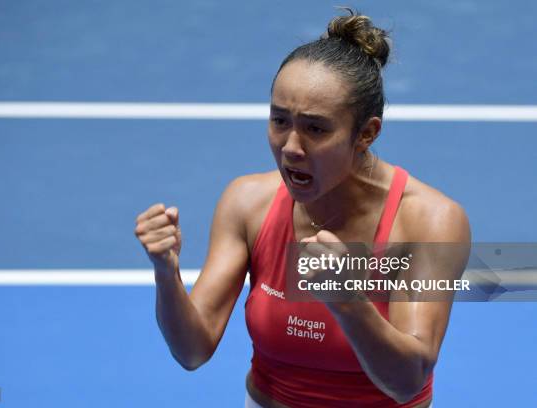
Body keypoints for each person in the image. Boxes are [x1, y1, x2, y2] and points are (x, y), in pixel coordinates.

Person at [134, 9, 470, 408]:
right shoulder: (248, 203)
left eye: (315, 128)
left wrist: (347, 300)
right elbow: (192, 351)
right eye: (280, 121)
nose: (291, 147)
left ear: (366, 133)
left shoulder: (429, 221)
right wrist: (165, 273)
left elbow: (406, 382)